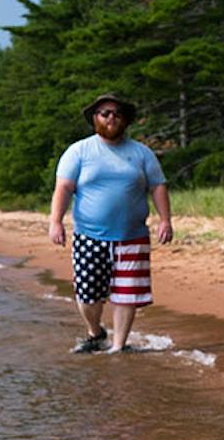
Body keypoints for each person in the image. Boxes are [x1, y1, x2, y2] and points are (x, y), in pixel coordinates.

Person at [48, 93, 172, 353]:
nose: (111, 118)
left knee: (126, 296)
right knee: (87, 295)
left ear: (125, 120)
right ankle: (95, 331)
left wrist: (165, 220)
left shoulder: (141, 153)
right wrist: (55, 222)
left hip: (132, 236)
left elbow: (158, 186)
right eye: (105, 113)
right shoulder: (79, 151)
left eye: (116, 113)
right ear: (95, 119)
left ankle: (118, 347)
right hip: (89, 236)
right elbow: (64, 187)